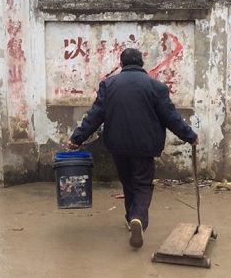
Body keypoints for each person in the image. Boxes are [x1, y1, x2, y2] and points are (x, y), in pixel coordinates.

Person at [67, 48, 199, 249]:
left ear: (121, 64)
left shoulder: (108, 85)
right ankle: (138, 218)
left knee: (128, 183)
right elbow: (171, 117)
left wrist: (77, 138)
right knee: (143, 184)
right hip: (145, 146)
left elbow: (95, 116)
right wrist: (190, 136)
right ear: (142, 63)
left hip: (117, 146)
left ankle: (131, 218)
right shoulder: (156, 87)